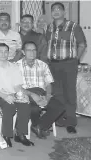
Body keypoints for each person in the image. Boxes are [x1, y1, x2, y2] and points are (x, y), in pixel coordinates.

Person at [45, 2, 87, 134]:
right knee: (57, 93)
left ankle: (70, 122)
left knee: (69, 93)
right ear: (51, 13)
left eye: (59, 9)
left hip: (69, 64)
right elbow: (47, 45)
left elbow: (82, 44)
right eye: (53, 10)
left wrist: (75, 60)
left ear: (64, 12)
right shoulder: (49, 27)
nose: (56, 11)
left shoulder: (73, 26)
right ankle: (58, 119)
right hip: (53, 64)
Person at [0, 43, 34, 147]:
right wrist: (5, 96)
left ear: (9, 53)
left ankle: (20, 135)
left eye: (6, 52)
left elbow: (17, 86)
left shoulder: (14, 67)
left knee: (25, 104)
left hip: (13, 94)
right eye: (0, 51)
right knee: (9, 106)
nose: (3, 54)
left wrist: (21, 95)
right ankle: (6, 135)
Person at [15, 41, 65, 139]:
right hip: (25, 93)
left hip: (42, 93)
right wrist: (32, 95)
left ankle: (39, 126)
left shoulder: (43, 65)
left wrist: (47, 97)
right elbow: (16, 86)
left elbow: (48, 83)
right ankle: (37, 127)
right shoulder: (16, 66)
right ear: (23, 52)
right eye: (28, 50)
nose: (32, 52)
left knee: (59, 106)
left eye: (34, 50)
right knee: (34, 109)